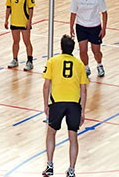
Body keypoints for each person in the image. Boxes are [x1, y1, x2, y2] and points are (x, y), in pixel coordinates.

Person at [42, 35, 88, 177]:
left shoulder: (53, 62)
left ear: (61, 47)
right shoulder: (80, 64)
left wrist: (46, 105)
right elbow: (84, 89)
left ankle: (50, 166)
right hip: (74, 104)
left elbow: (46, 86)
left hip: (57, 102)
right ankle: (72, 170)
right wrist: (83, 111)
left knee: (51, 133)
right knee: (73, 137)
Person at [70, 0, 108, 77]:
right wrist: (71, 27)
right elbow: (73, 13)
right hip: (81, 26)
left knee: (96, 51)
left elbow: (104, 13)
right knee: (82, 50)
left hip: (94, 27)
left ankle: (99, 64)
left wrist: (103, 29)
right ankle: (86, 68)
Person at [5, 0, 35, 71]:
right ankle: (15, 59)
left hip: (24, 22)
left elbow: (31, 8)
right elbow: (8, 7)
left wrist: (29, 21)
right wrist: (6, 20)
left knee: (27, 42)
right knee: (15, 42)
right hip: (14, 21)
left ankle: (30, 61)